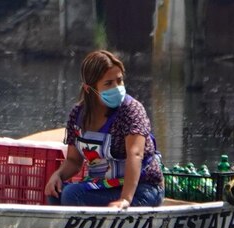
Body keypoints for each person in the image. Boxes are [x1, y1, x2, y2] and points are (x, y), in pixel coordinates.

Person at [43, 49, 164, 208]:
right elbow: (74, 161)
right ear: (89, 88)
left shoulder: (131, 110)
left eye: (119, 81)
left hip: (143, 189)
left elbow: (135, 154)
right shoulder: (78, 115)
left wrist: (125, 199)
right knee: (56, 194)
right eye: (108, 83)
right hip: (105, 185)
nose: (116, 87)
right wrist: (57, 176)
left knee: (72, 194)